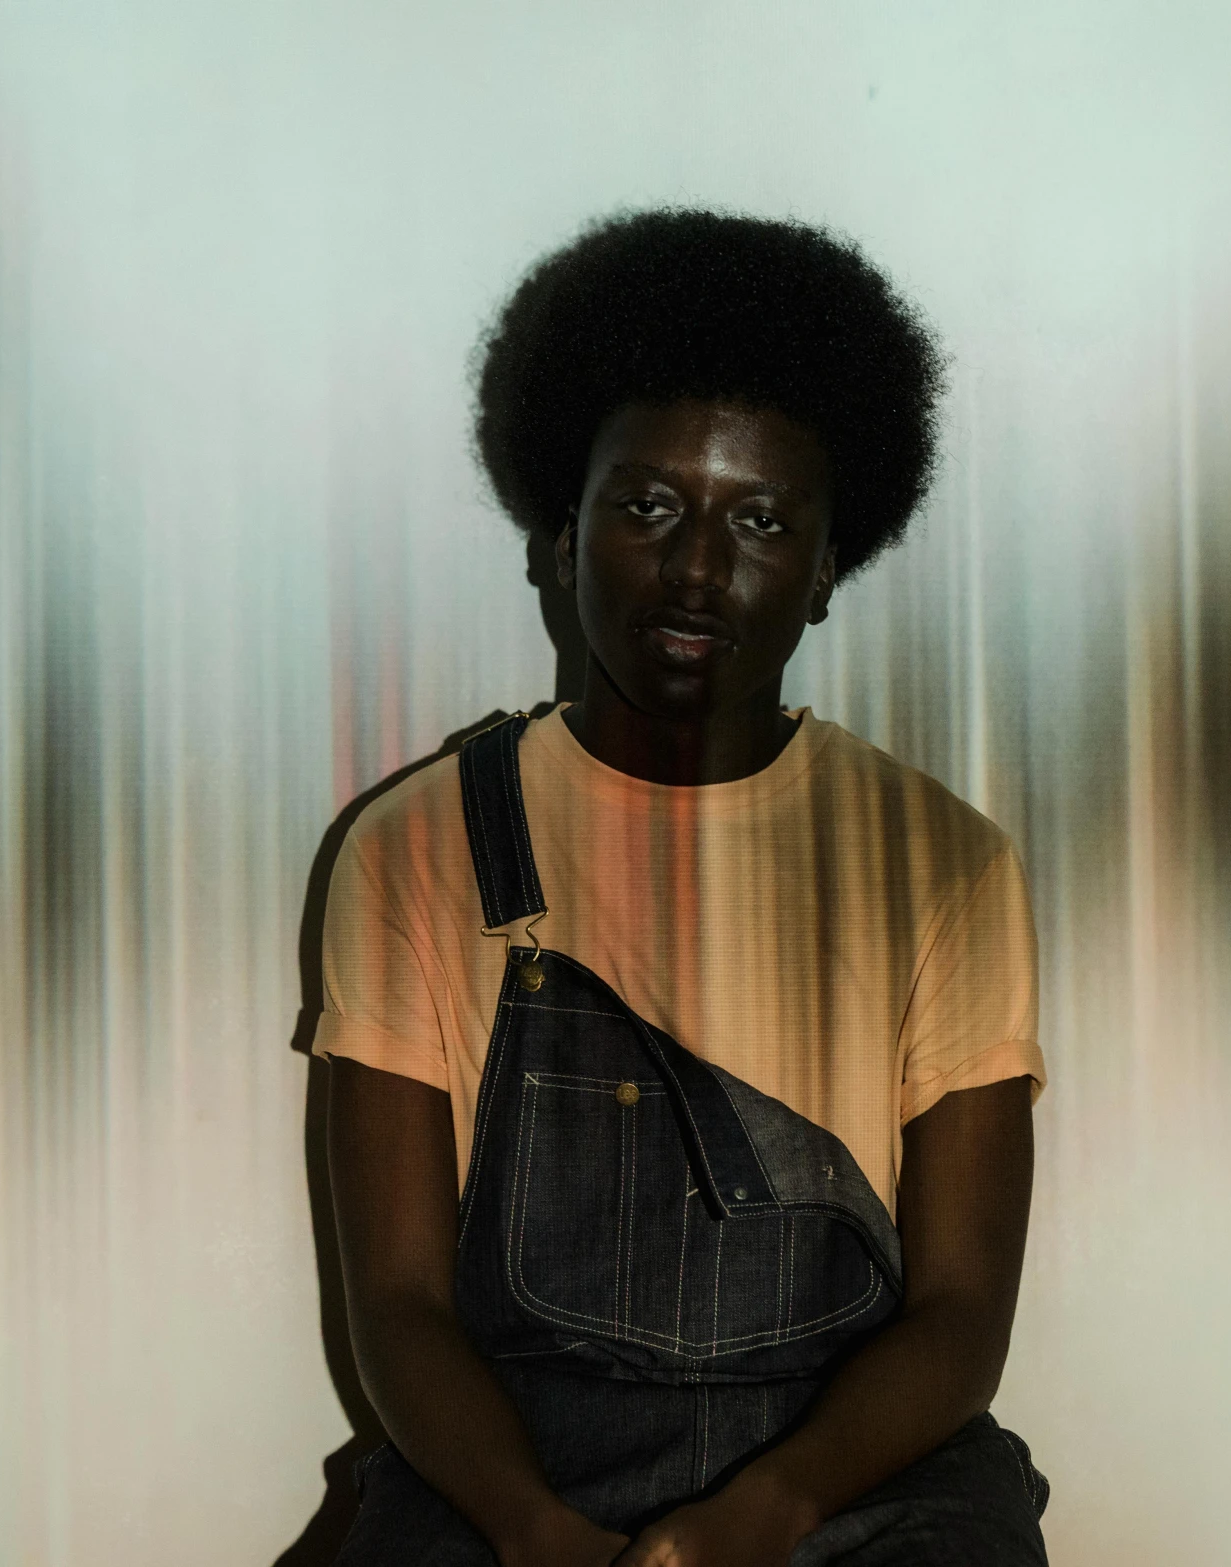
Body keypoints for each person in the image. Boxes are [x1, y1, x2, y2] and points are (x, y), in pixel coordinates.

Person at [315, 208, 1049, 1566]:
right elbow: (402, 1304)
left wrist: (758, 1514)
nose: (698, 566)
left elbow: (956, 1317)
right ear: (560, 533)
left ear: (828, 568)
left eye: (759, 519)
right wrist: (535, 1531)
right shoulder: (416, 845)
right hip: (510, 1457)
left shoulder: (941, 863)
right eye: (648, 506)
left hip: (846, 1463)